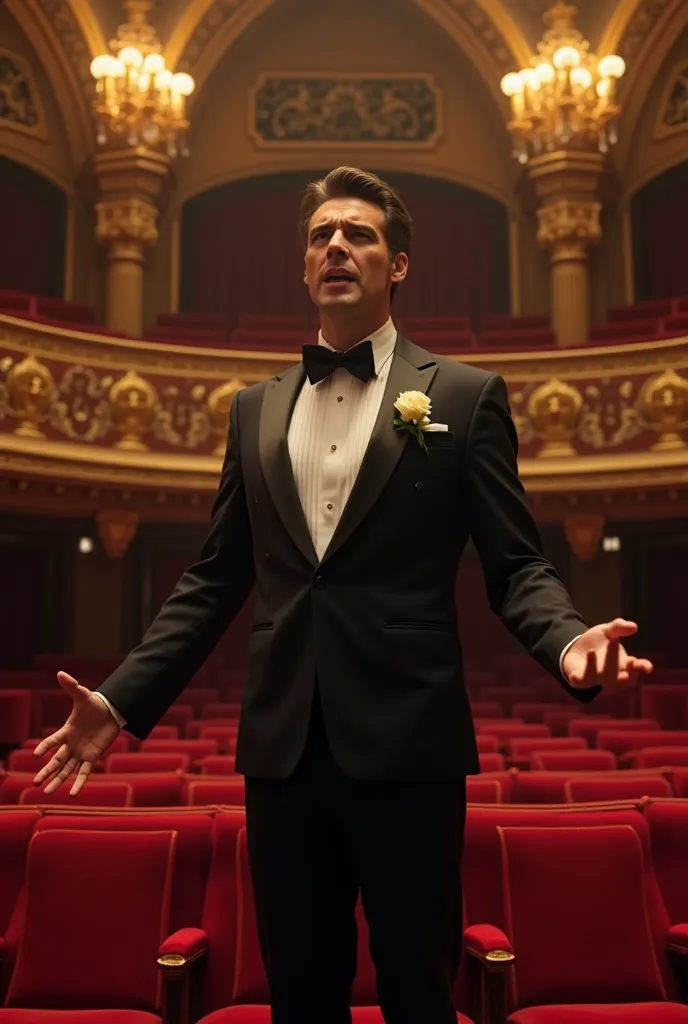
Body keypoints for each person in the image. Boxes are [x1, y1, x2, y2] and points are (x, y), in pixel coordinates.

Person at [34, 166, 653, 1024]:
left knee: (417, 989)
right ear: (303, 268)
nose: (336, 246)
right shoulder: (253, 410)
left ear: (397, 265)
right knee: (301, 993)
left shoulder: (466, 399)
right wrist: (119, 699)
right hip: (283, 753)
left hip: (410, 747)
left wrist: (569, 642)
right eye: (322, 234)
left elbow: (517, 567)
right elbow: (216, 577)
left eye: (358, 234)